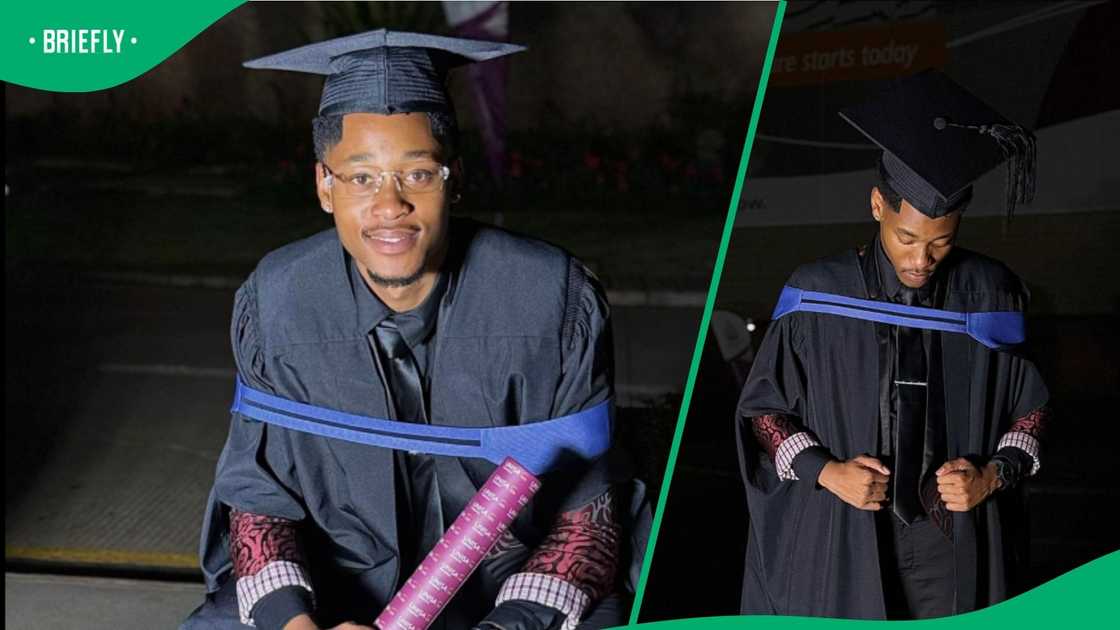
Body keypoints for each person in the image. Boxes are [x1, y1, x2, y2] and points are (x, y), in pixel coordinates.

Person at [181, 30, 646, 630]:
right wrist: (297, 625)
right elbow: (257, 502)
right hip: (336, 584)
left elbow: (588, 518)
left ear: (455, 175)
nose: (390, 203)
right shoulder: (278, 301)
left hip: (510, 588)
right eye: (362, 177)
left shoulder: (552, 299)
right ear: (325, 185)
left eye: (418, 174)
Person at [735, 70, 1050, 620]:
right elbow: (764, 409)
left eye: (941, 242)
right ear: (878, 205)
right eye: (907, 239)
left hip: (950, 534)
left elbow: (1032, 409)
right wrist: (824, 471)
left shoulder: (992, 294)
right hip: (845, 528)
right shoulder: (817, 294)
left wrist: (992, 475)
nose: (920, 260)